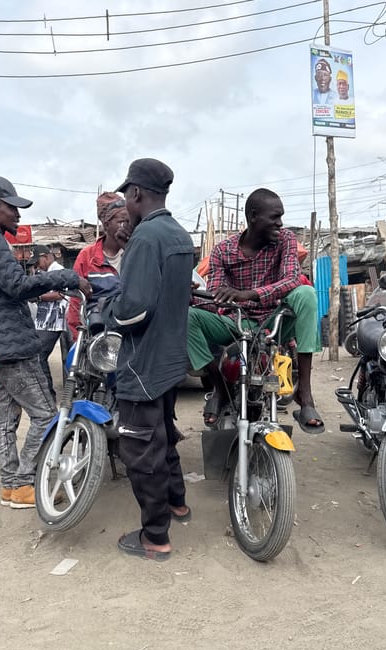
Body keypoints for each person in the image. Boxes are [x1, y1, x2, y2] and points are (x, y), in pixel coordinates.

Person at [0, 176, 91, 510]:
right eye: (10, 207)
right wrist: (68, 277)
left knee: (3, 417)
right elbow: (16, 286)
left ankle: (12, 487)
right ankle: (28, 481)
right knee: (46, 415)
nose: (17, 214)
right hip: (14, 347)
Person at [101, 158, 194, 561]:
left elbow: (134, 309)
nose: (125, 201)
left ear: (136, 193)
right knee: (164, 433)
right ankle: (178, 503)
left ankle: (155, 536)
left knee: (141, 449)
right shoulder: (179, 234)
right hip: (172, 358)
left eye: (126, 194)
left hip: (142, 362)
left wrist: (107, 312)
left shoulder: (145, 238)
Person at [188, 187, 324, 434]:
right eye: (274, 217)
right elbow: (218, 295)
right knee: (187, 318)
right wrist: (193, 297)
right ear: (253, 216)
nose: (280, 223)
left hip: (275, 322)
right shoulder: (222, 251)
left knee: (306, 293)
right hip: (237, 323)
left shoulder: (285, 240)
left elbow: (292, 279)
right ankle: (219, 388)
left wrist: (250, 294)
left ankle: (304, 392)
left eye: (281, 217)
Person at [67, 192, 130, 341]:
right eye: (122, 222)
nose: (127, 226)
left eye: (130, 221)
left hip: (131, 332)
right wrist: (78, 339)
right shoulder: (87, 257)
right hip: (99, 337)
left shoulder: (136, 252)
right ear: (107, 224)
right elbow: (76, 302)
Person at [27, 244, 69, 401]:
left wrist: (38, 297)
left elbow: (60, 294)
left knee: (39, 355)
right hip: (48, 320)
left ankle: (48, 396)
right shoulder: (47, 272)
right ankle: (58, 396)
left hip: (54, 320)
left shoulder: (57, 270)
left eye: (37, 262)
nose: (37, 266)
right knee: (64, 359)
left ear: (45, 256)